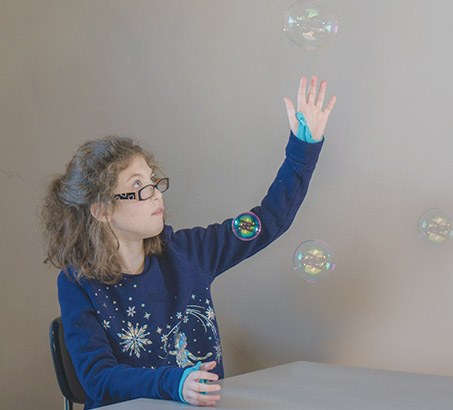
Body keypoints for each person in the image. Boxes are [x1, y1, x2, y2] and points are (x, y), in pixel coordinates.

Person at [42, 76, 336, 409]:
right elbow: (98, 378)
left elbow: (269, 220)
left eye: (154, 181)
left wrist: (303, 148)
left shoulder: (188, 252)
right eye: (139, 187)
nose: (155, 194)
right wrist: (174, 383)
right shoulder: (77, 282)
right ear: (102, 210)